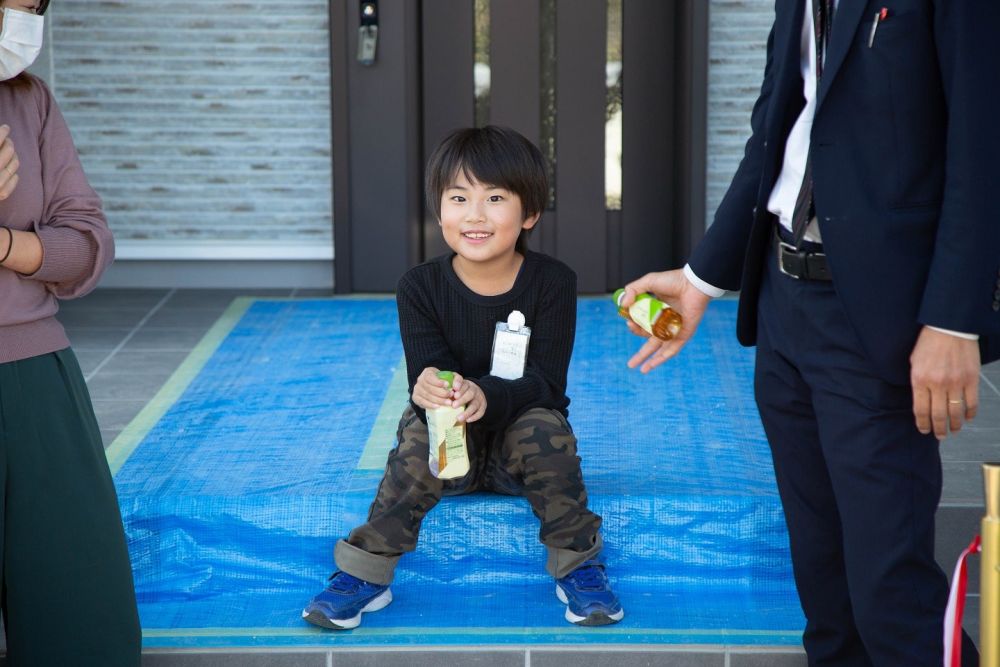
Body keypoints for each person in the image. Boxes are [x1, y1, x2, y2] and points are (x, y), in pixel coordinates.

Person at [619, 1, 998, 665]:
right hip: (784, 300)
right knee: (824, 584)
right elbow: (776, 134)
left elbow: (985, 143)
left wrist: (952, 318)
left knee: (890, 589)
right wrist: (702, 278)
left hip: (880, 316)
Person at [303, 126, 622, 630]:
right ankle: (366, 575)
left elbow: (547, 383)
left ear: (530, 213)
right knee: (423, 423)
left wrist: (485, 392)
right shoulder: (420, 286)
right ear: (440, 210)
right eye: (458, 197)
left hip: (521, 457)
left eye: (495, 198)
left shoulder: (553, 282)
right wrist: (428, 386)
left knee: (545, 426)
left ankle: (579, 567)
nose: (475, 214)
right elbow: (425, 369)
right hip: (447, 457)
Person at [0, 0, 142, 663]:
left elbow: (87, 240)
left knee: (86, 621)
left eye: (31, 5)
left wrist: (6, 244)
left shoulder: (30, 100)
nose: (19, 20)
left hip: (34, 375)